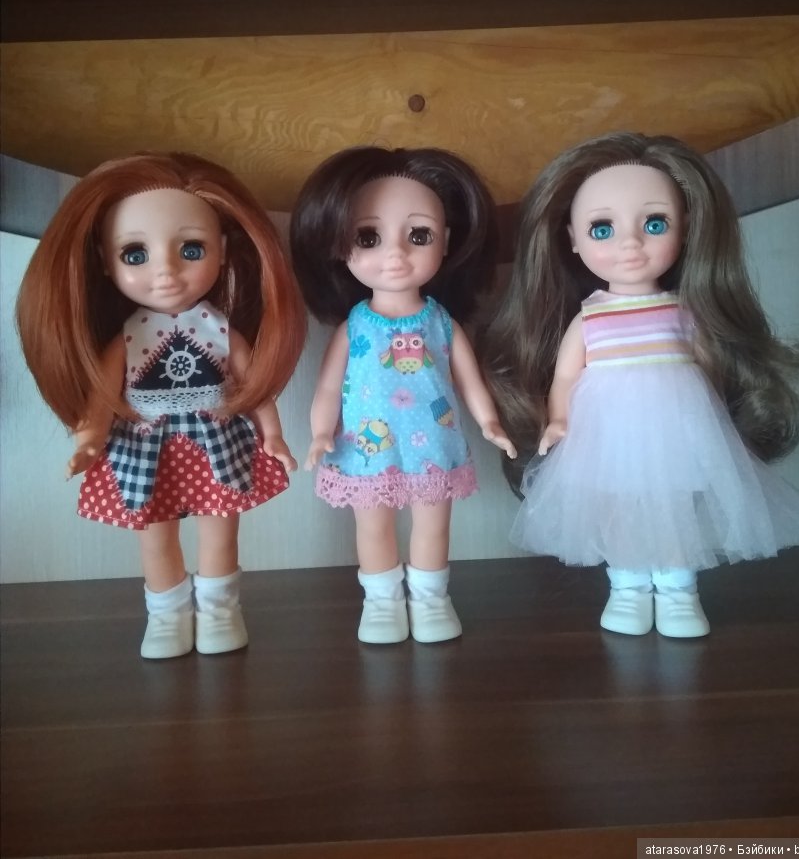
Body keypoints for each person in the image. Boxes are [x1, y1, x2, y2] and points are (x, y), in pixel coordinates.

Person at [479, 132, 799, 638]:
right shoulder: (590, 318)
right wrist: (559, 419)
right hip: (608, 432)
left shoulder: (684, 311)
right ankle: (628, 587)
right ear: (571, 239)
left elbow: (708, 366)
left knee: (676, 506)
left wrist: (715, 418)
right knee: (618, 506)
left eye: (654, 224)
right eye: (602, 228)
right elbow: (567, 374)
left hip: (675, 426)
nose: (630, 244)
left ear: (686, 229)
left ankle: (679, 591)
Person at [17, 152, 306, 658]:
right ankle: (167, 616)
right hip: (145, 447)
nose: (166, 272)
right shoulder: (127, 338)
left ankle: (220, 612)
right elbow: (103, 396)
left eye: (191, 249)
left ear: (221, 250)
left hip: (216, 442)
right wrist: (89, 441)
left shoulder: (219, 329)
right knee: (155, 536)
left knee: (220, 531)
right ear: (104, 261)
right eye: (135, 254)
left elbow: (254, 386)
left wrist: (274, 435)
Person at [290, 146, 516, 644]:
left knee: (433, 526)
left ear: (446, 241)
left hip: (433, 443)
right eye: (368, 237)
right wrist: (320, 433)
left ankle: (432, 600)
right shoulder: (355, 325)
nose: (395, 255)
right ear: (338, 243)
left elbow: (468, 378)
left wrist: (490, 422)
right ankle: (381, 603)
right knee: (372, 526)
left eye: (419, 236)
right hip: (365, 447)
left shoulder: (440, 321)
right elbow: (328, 385)